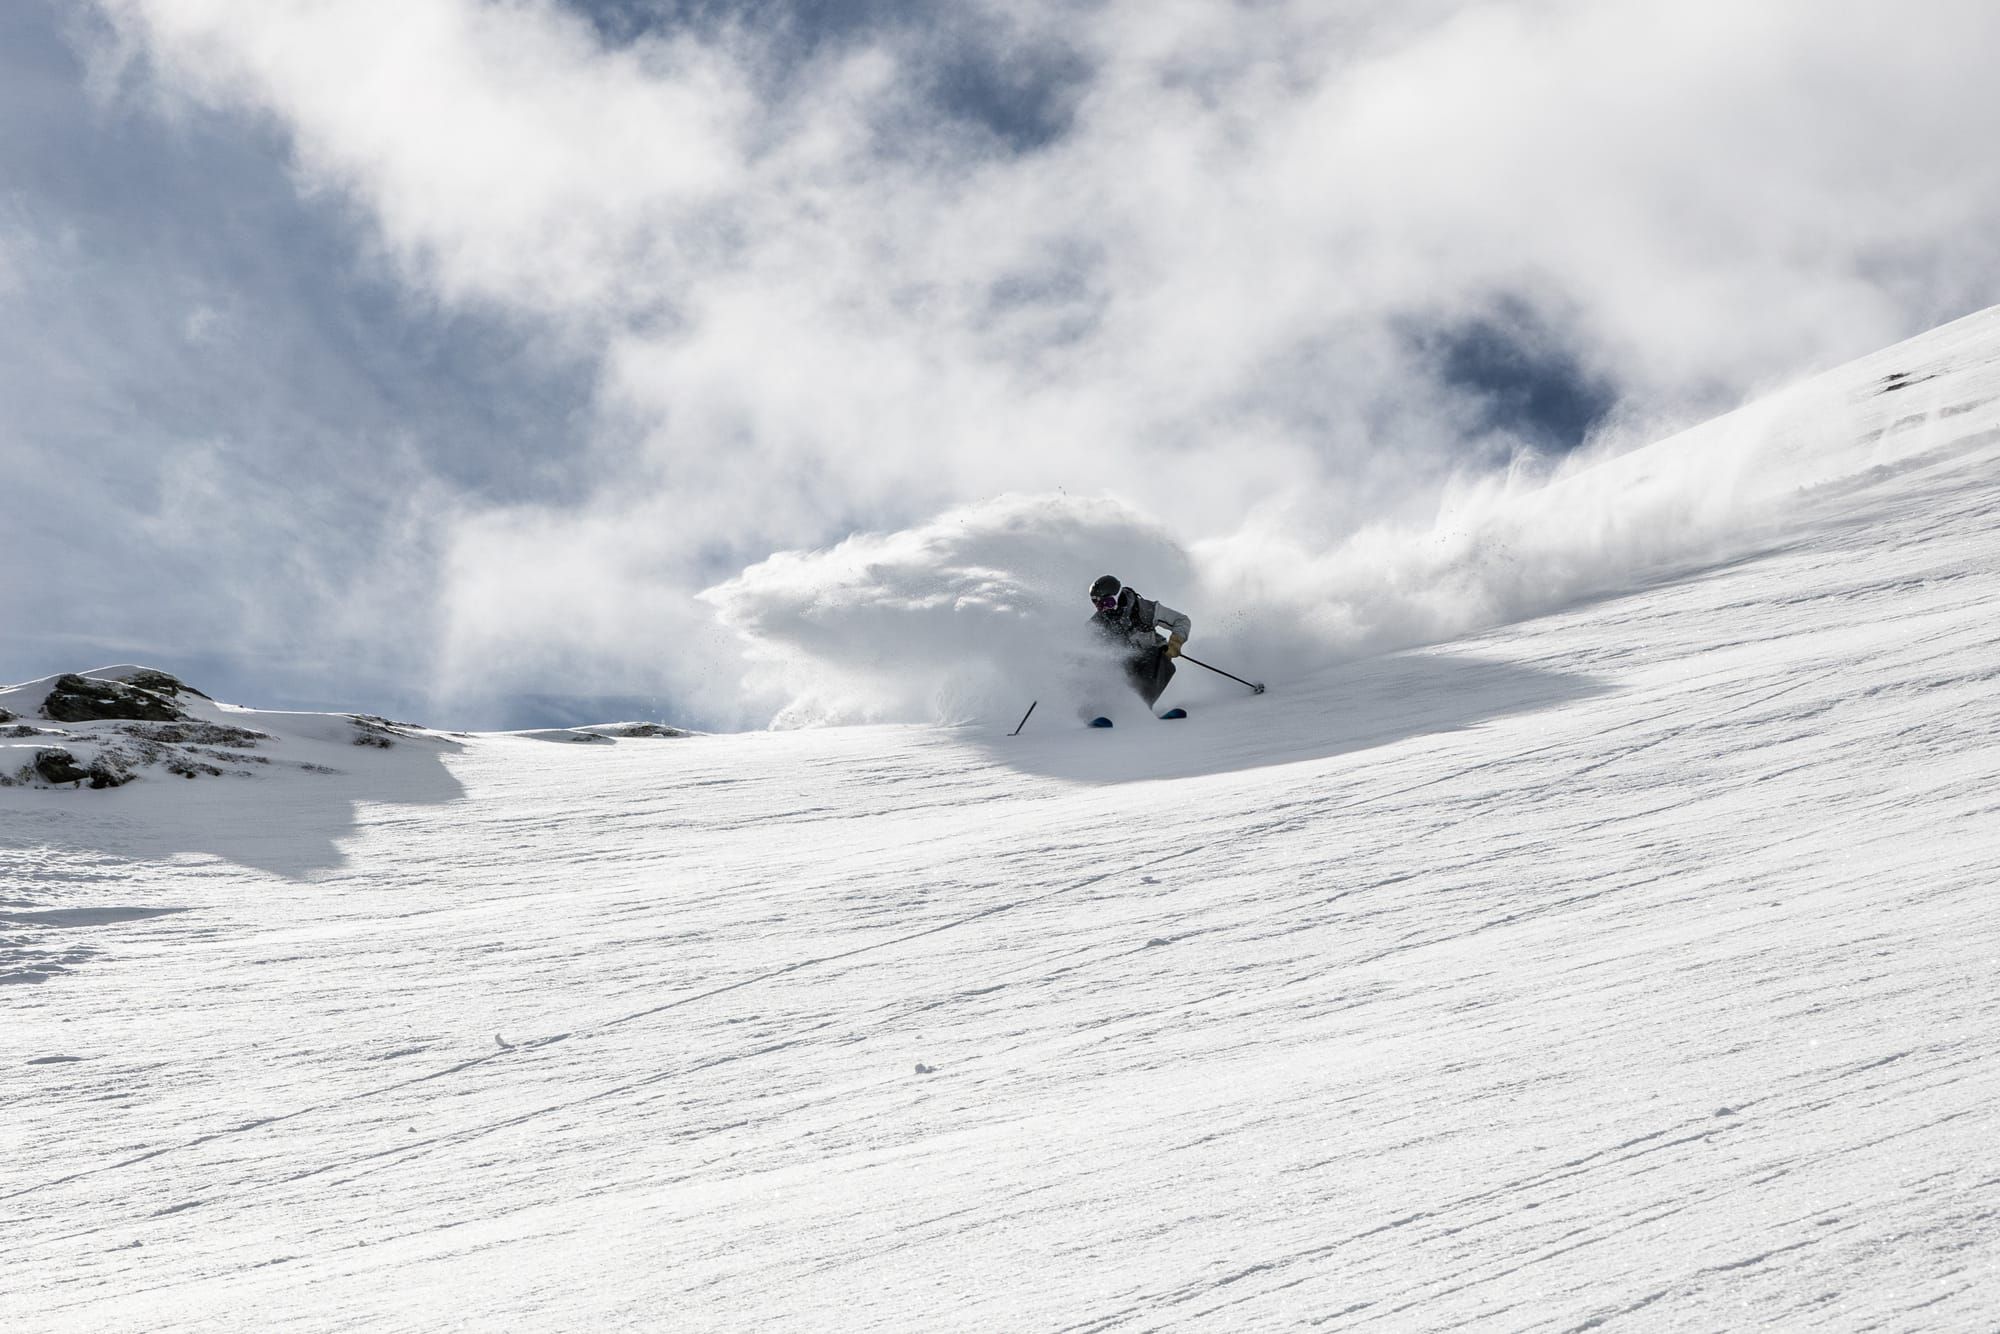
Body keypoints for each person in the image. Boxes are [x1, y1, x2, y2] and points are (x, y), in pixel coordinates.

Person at [1087, 574, 1192, 708]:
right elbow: (1083, 645)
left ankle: (1139, 708)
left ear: (1118, 596)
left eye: (1108, 603)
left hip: (1152, 662)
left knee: (1160, 659)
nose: (1104, 609)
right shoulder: (1098, 622)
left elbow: (1182, 620)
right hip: (1123, 667)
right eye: (1098, 604)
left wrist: (1175, 643)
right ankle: (1100, 708)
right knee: (1102, 667)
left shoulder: (1145, 609)